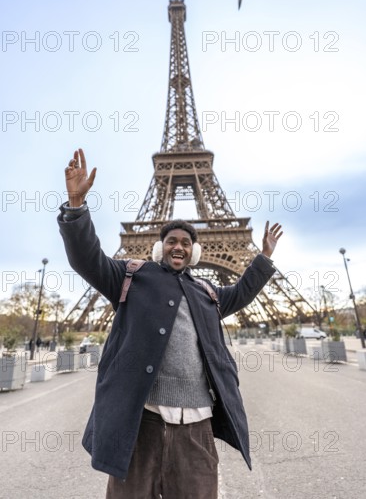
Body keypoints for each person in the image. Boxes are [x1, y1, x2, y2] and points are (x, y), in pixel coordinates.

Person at [58, 148, 283, 499]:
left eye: (185, 243)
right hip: (141, 422)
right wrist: (76, 207)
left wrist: (263, 258)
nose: (178, 246)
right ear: (161, 249)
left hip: (197, 425)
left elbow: (240, 293)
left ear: (193, 252)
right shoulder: (132, 276)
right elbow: (88, 258)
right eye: (171, 241)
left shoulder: (205, 292)